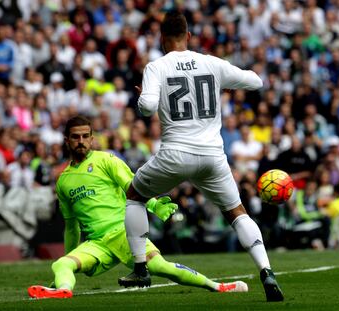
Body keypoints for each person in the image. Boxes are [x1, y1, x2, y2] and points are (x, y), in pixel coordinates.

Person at [119, 11, 284, 302]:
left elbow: (146, 108)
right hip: (212, 156)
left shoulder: (156, 66)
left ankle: (141, 268)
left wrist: (145, 95)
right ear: (189, 36)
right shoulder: (211, 63)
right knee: (236, 212)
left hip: (175, 154)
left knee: (134, 195)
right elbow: (256, 82)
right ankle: (267, 271)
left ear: (161, 38)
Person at [27, 115, 248, 299]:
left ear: (92, 138)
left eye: (86, 136)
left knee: (160, 267)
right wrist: (70, 261)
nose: (81, 141)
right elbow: (71, 227)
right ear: (66, 140)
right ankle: (63, 289)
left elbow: (132, 187)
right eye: (75, 137)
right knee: (60, 265)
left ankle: (218, 287)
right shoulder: (63, 181)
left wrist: (153, 205)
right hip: (97, 244)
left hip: (124, 233)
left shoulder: (106, 160)